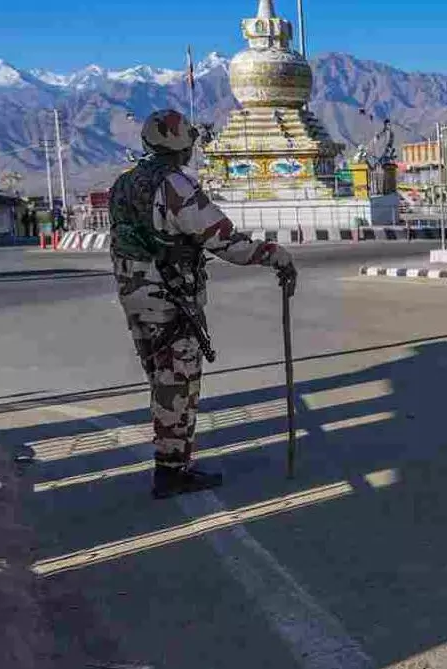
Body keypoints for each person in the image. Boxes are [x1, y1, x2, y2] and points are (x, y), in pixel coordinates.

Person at [109, 109, 297, 500]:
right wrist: (274, 254)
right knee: (177, 383)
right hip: (170, 299)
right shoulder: (175, 186)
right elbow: (225, 241)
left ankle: (172, 462)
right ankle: (172, 471)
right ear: (183, 145)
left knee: (161, 379)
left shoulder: (124, 185)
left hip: (135, 295)